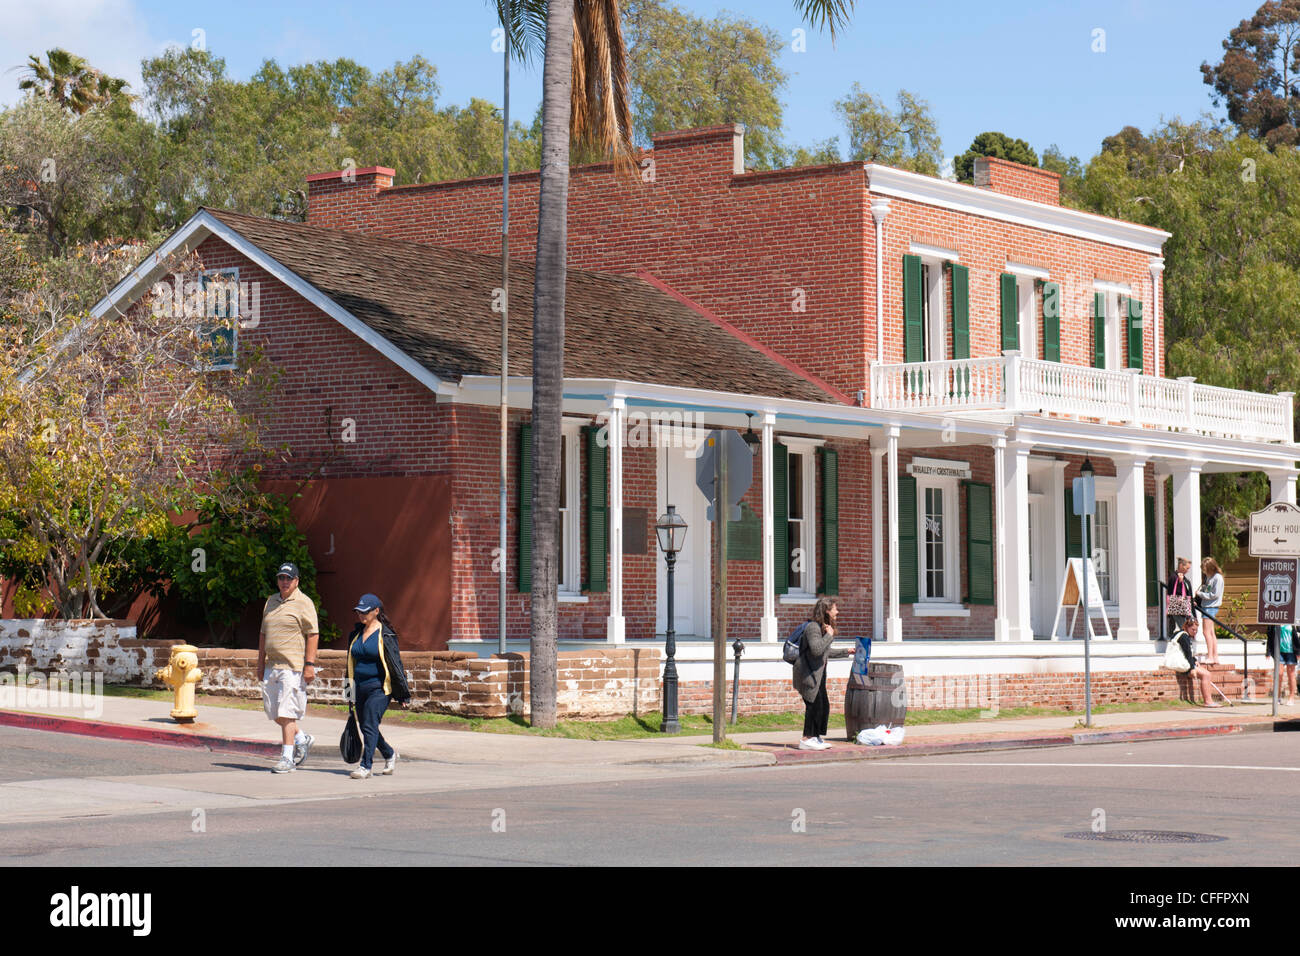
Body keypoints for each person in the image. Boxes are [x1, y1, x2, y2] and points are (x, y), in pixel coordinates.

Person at [257, 562, 320, 773]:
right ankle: (302, 738)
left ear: (296, 581)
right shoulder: (271, 601)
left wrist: (309, 665)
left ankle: (287, 758)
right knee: (274, 712)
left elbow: (312, 634)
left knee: (287, 711)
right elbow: (263, 634)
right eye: (281, 578)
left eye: (288, 579)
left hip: (292, 666)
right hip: (271, 665)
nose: (284, 582)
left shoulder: (304, 602)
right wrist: (260, 662)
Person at [345, 593, 411, 779]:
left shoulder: (386, 634)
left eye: (365, 611)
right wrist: (349, 692)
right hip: (359, 687)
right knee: (367, 726)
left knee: (369, 724)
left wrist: (403, 694)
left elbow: (396, 664)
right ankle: (389, 753)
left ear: (376, 611)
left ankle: (366, 766)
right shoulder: (355, 634)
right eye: (359, 611)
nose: (361, 615)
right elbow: (349, 664)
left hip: (379, 688)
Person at [793, 596, 837, 751]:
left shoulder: (821, 628)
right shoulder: (813, 627)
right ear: (826, 610)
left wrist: (847, 651)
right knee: (814, 706)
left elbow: (825, 651)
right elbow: (817, 650)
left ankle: (816, 736)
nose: (837, 612)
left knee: (823, 706)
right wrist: (829, 636)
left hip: (818, 674)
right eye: (834, 609)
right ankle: (807, 738)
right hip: (808, 673)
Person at [1173, 618, 1220, 707]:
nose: (1195, 632)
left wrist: (1195, 661)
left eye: (1196, 630)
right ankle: (1208, 701)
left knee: (1207, 674)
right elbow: (1187, 654)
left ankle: (1209, 700)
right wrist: (1192, 668)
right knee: (1206, 675)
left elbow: (1187, 653)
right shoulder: (1184, 637)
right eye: (1193, 629)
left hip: (1185, 663)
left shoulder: (1184, 636)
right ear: (1187, 627)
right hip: (1182, 665)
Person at [1197, 557, 1224, 664]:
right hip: (1207, 606)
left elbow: (1214, 594)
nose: (1204, 571)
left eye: (1205, 569)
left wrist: (1200, 594)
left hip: (1210, 607)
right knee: (1211, 632)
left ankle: (1211, 656)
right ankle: (1215, 656)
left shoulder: (1217, 578)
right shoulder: (1210, 577)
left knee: (1206, 632)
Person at [1165, 557, 1194, 632]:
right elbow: (1174, 592)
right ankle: (1184, 642)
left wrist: (1192, 601)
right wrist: (1180, 583)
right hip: (1178, 607)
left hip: (1184, 608)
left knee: (1188, 627)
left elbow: (1187, 592)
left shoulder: (1184, 578)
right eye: (1187, 568)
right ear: (1181, 566)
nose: (1188, 570)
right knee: (1185, 628)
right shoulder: (1174, 577)